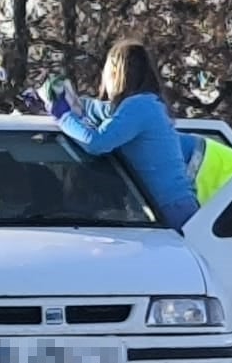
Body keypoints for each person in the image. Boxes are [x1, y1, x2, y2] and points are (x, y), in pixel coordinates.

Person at [43, 40, 199, 228]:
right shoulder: (147, 104)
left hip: (168, 210)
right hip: (170, 207)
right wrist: (72, 102)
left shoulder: (139, 106)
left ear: (117, 73)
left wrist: (63, 117)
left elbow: (96, 143)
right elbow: (104, 111)